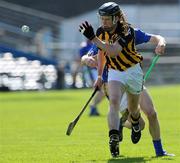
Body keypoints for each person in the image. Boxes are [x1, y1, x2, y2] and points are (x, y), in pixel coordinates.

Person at [79, 2, 170, 157]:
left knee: (148, 115)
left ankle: (159, 151)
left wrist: (161, 43)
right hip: (115, 76)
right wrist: (86, 59)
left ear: (116, 18)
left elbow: (154, 38)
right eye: (102, 19)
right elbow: (90, 53)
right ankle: (114, 135)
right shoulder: (101, 33)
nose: (104, 22)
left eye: (107, 19)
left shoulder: (128, 30)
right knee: (115, 103)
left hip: (133, 73)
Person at [73, 40, 105, 116]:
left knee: (103, 91)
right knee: (101, 90)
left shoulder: (97, 43)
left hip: (99, 70)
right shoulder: (84, 46)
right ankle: (93, 106)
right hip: (91, 71)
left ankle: (93, 106)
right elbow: (81, 60)